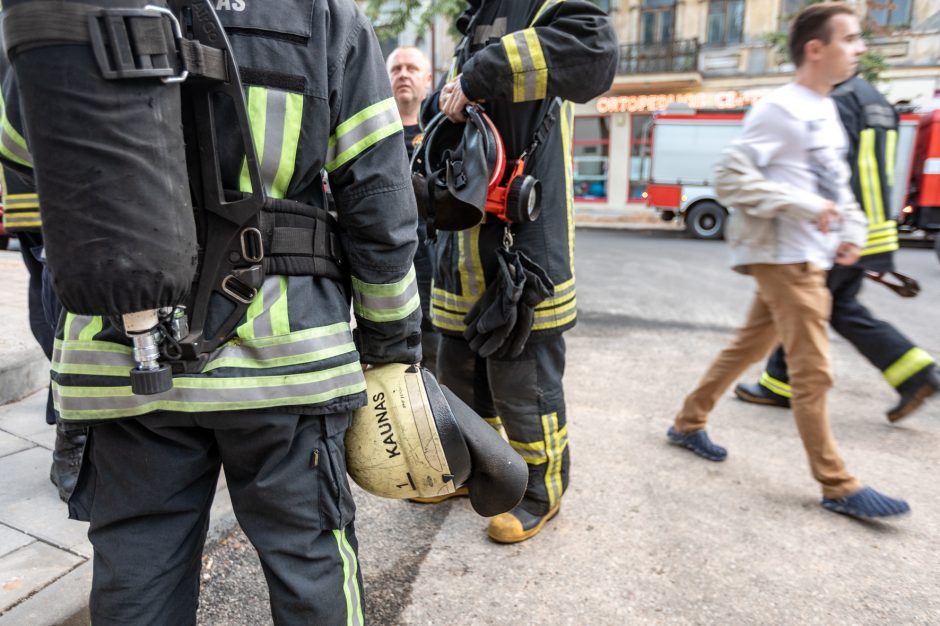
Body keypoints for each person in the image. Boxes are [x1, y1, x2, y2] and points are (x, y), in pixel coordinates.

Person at [1, 0, 422, 623]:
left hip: (122, 369)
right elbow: (382, 208)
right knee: (312, 569)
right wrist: (391, 351)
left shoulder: (80, 11)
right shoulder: (324, 17)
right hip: (288, 367)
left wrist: (73, 322)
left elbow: (30, 186)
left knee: (137, 579)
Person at [667, 2, 909, 521]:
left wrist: (854, 230)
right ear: (815, 49)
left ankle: (687, 423)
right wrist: (806, 208)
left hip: (809, 254)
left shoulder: (825, 108)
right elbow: (731, 178)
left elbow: (835, 184)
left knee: (745, 348)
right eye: (849, 38)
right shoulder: (781, 108)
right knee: (813, 371)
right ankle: (838, 484)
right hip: (786, 256)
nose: (859, 48)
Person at [423, 0, 617, 543]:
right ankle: (480, 473)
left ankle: (540, 490)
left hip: (523, 250)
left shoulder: (540, 6)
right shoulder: (479, 16)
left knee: (523, 384)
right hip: (461, 254)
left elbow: (593, 49)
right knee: (459, 378)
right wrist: (449, 94)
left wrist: (475, 76)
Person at [734, 75, 940, 422]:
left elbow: (827, 171)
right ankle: (913, 373)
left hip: (843, 228)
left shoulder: (837, 100)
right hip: (873, 225)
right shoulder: (875, 100)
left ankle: (780, 387)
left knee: (805, 303)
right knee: (834, 305)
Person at [0, 165, 84, 502]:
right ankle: (72, 437)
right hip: (58, 181)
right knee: (63, 295)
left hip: (42, 182)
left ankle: (65, 412)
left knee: (50, 283)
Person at [387, 46, 441, 376]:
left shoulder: (441, 132)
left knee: (435, 353)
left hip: (433, 261)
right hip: (390, 260)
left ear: (427, 79)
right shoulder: (376, 132)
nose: (403, 74)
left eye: (412, 68)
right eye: (396, 69)